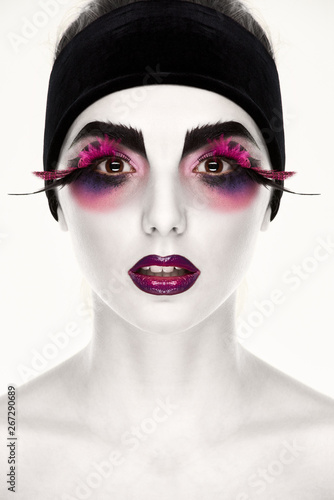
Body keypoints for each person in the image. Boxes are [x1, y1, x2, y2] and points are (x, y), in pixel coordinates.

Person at [1, 0, 334, 498]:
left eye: (216, 167)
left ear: (271, 199)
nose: (163, 220)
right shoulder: (9, 454)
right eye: (111, 167)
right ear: (58, 199)